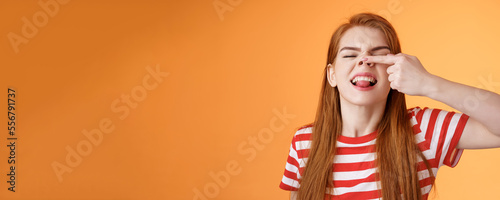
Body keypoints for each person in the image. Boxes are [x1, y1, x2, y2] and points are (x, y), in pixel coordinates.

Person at [278, 13, 500, 200]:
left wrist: (429, 83)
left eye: (380, 55)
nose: (365, 60)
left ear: (396, 71)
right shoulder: (304, 141)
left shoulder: (422, 129)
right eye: (350, 54)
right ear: (332, 75)